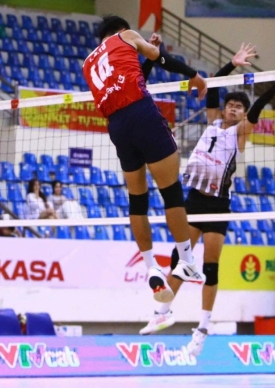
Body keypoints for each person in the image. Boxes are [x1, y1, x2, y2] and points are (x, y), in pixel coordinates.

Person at [140, 43, 275, 359]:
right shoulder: (213, 122)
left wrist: (274, 85)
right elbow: (214, 86)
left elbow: (257, 111)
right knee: (180, 260)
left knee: (210, 266)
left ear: (243, 114)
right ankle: (162, 312)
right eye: (230, 105)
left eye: (238, 107)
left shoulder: (241, 133)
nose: (232, 108)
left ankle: (202, 330)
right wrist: (232, 64)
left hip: (218, 205)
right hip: (194, 200)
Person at [83, 15, 206, 300]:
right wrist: (193, 74)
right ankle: (186, 260)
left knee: (137, 200)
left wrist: (146, 53)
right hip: (142, 114)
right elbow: (160, 58)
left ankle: (151, 266)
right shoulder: (126, 35)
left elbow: (130, 79)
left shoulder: (88, 63)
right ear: (122, 29)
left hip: (117, 126)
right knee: (171, 191)